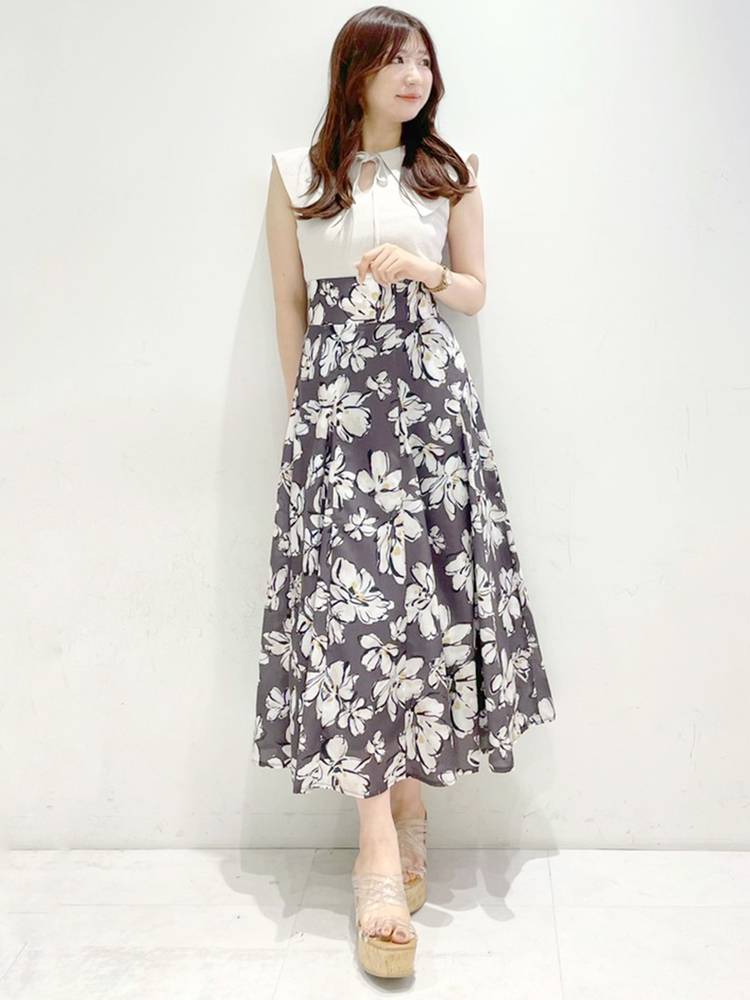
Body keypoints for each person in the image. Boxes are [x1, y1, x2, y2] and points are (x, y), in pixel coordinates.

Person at [252, 5, 556, 978]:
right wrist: (307, 414)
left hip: (431, 418)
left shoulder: (448, 173)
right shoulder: (298, 176)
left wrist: (426, 269)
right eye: (394, 59)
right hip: (341, 426)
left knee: (427, 613)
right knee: (357, 623)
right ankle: (378, 847)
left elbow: (475, 289)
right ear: (355, 73)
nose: (414, 74)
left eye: (423, 59)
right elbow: (290, 302)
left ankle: (411, 799)